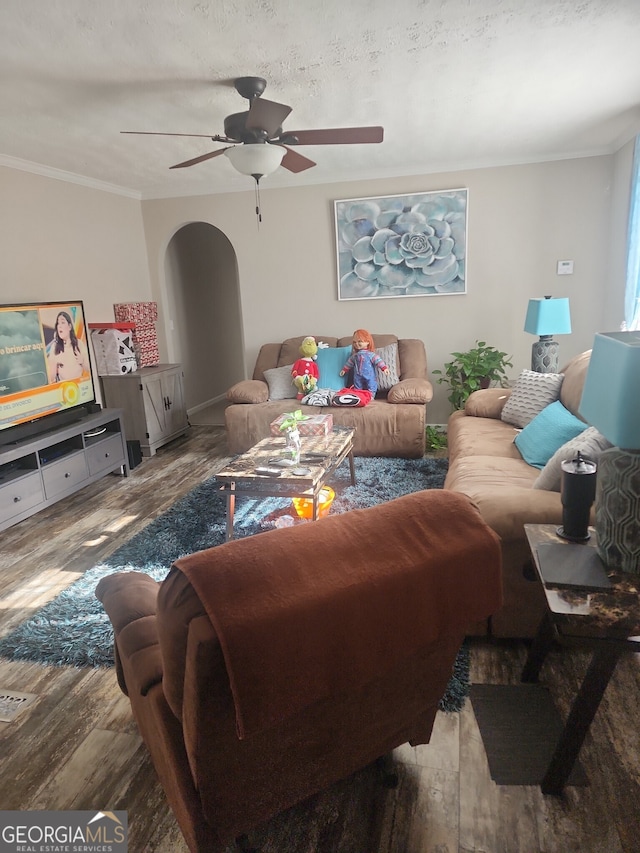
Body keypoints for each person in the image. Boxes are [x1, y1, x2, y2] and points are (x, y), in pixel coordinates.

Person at [339, 328, 389, 397]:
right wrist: (344, 369)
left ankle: (371, 396)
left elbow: (378, 360)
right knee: (357, 385)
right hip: (357, 375)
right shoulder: (355, 355)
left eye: (360, 341)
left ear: (368, 342)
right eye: (354, 342)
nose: (357, 344)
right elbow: (349, 362)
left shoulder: (370, 354)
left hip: (369, 375)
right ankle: (359, 396)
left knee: (371, 384)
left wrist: (384, 368)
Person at [47, 310, 90, 383]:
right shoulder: (54, 347)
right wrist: (54, 363)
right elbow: (51, 378)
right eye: (58, 323)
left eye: (63, 322)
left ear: (69, 326)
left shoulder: (79, 344)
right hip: (63, 387)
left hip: (79, 386)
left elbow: (89, 369)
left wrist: (82, 361)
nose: (59, 326)